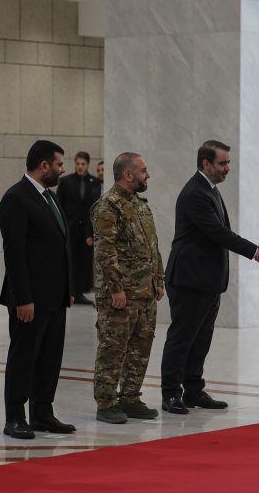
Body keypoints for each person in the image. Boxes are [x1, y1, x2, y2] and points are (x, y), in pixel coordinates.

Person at [160, 140, 259, 414]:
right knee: (182, 338)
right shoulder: (195, 193)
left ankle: (193, 390)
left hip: (207, 280)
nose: (228, 168)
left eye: (228, 162)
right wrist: (253, 251)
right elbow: (217, 232)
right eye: (223, 163)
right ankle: (170, 393)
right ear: (206, 163)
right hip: (189, 279)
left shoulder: (209, 189)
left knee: (201, 338)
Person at [0, 140, 76, 439]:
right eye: (59, 164)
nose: (62, 170)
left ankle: (42, 412)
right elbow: (14, 253)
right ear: (44, 165)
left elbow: (61, 245)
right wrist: (23, 298)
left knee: (50, 357)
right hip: (29, 298)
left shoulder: (49, 197)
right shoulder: (16, 198)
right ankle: (15, 417)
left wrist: (68, 288)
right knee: (24, 357)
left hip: (54, 296)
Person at [91, 153, 165, 424]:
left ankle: (131, 397)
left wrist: (159, 280)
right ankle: (106, 402)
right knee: (113, 348)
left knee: (140, 347)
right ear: (128, 174)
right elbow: (105, 251)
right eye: (143, 170)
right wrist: (116, 289)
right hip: (121, 294)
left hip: (145, 291)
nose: (148, 175)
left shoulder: (140, 204)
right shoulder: (108, 206)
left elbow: (152, 246)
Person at [56, 151, 102, 305]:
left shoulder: (94, 182)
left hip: (86, 231)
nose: (80, 166)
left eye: (83, 164)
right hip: (70, 229)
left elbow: (94, 208)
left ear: (88, 164)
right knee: (70, 261)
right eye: (78, 164)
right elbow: (59, 206)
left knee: (84, 262)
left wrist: (92, 232)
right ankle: (69, 292)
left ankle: (79, 292)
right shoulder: (65, 182)